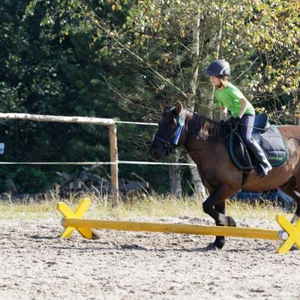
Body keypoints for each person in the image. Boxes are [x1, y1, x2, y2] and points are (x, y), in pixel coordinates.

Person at [204, 59, 272, 177]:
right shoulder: (217, 92)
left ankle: (265, 163)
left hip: (247, 113)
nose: (211, 78)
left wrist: (239, 117)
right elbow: (223, 108)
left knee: (246, 138)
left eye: (213, 76)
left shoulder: (231, 89)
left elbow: (245, 103)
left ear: (221, 76)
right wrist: (222, 121)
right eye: (210, 76)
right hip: (236, 115)